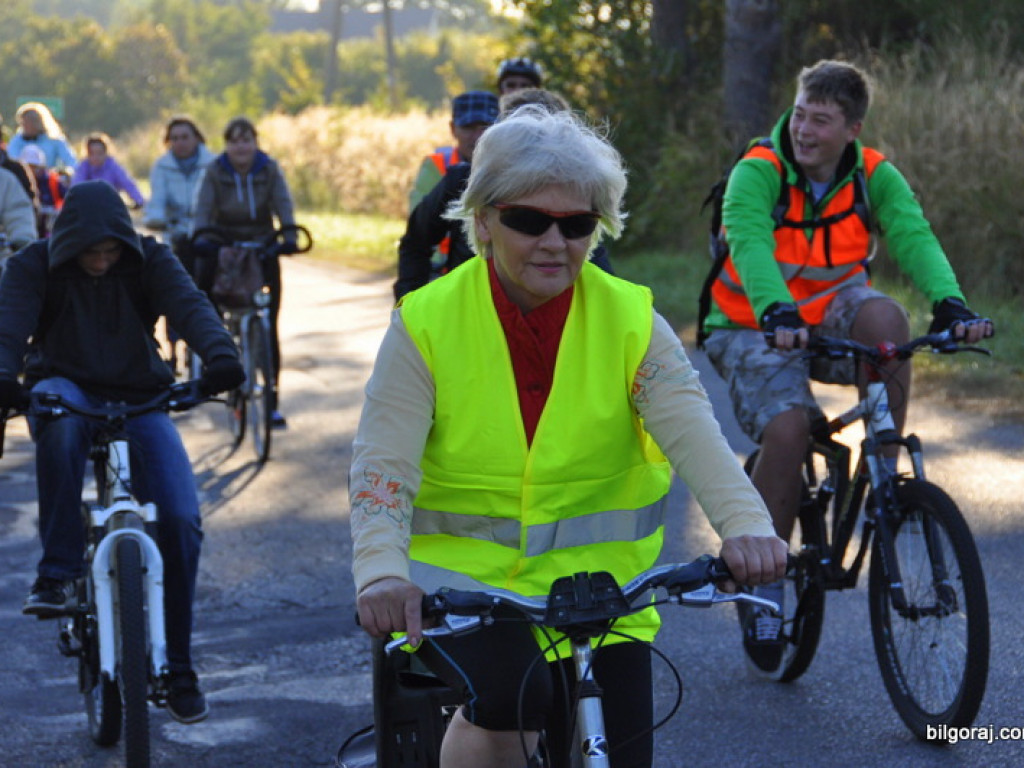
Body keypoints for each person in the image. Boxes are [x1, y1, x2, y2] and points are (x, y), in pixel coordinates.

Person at [351, 107, 788, 768]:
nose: (555, 242)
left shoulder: (632, 321)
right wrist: (382, 573)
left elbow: (697, 436)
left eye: (578, 224)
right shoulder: (427, 324)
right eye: (529, 220)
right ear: (484, 221)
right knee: (510, 705)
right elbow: (383, 463)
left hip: (604, 596)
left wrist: (748, 527)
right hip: (468, 593)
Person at [702, 59, 994, 670]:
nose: (805, 129)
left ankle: (885, 476)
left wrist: (950, 302)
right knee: (788, 429)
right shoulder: (757, 171)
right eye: (801, 113)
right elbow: (751, 242)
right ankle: (763, 580)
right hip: (753, 323)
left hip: (831, 313)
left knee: (888, 321)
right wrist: (777, 311)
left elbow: (913, 235)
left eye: (822, 121)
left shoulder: (872, 174)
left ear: (852, 128)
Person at [0, 180, 244, 723]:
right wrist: (3, 375)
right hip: (65, 387)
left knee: (181, 518)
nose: (103, 260)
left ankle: (178, 665)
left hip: (142, 395)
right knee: (57, 422)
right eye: (91, 251)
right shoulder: (33, 266)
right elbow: (8, 328)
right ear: (68, 243)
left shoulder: (148, 258)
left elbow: (191, 307)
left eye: (112, 250)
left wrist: (221, 358)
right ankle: (59, 570)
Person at [394, 88, 612, 301]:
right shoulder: (462, 180)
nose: (554, 242)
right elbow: (416, 243)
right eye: (524, 220)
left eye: (575, 223)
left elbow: (598, 267)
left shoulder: (580, 191)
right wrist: (409, 306)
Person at [192, 116, 298, 429]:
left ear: (255, 143)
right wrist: (202, 234)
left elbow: (283, 203)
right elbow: (203, 209)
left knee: (269, 322)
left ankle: (272, 400)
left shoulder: (269, 168)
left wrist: (288, 235)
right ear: (227, 145)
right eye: (235, 141)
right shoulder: (214, 171)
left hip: (262, 244)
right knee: (206, 293)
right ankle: (216, 359)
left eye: (247, 140)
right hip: (225, 243)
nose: (241, 146)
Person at [143, 116, 216, 276]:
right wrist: (155, 218)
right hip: (175, 233)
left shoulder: (213, 164)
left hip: (207, 233)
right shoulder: (161, 166)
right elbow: (157, 198)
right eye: (174, 138)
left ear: (196, 138)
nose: (180, 143)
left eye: (185, 137)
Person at [70, 132, 145, 209]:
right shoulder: (83, 167)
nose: (96, 157)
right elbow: (76, 187)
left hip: (110, 206)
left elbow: (127, 183)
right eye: (92, 153)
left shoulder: (113, 166)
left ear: (106, 153)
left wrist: (139, 200)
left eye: (99, 153)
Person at [7, 102, 76, 170]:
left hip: (48, 178)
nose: (25, 125)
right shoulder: (16, 141)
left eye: (30, 121)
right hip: (22, 178)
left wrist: (66, 172)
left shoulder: (55, 140)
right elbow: (12, 159)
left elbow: (71, 162)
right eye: (23, 122)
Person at [17, 144, 62, 237]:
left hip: (49, 227)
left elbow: (67, 196)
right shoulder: (17, 182)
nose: (31, 170)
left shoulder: (52, 181)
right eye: (28, 166)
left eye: (34, 166)